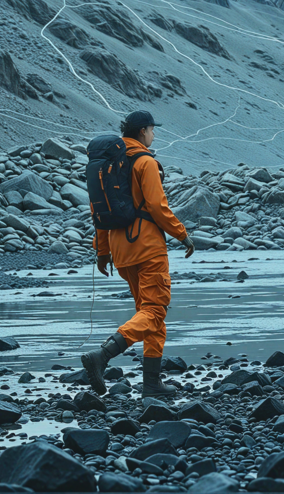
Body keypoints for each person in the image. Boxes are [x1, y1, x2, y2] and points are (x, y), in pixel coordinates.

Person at [80, 110, 195, 397]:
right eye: (153, 130)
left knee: (149, 314)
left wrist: (102, 252)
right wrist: (181, 233)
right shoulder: (145, 162)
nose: (154, 135)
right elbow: (157, 206)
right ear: (143, 131)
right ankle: (103, 355)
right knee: (155, 310)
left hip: (120, 249)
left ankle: (152, 385)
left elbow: (99, 211)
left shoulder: (107, 165)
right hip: (147, 247)